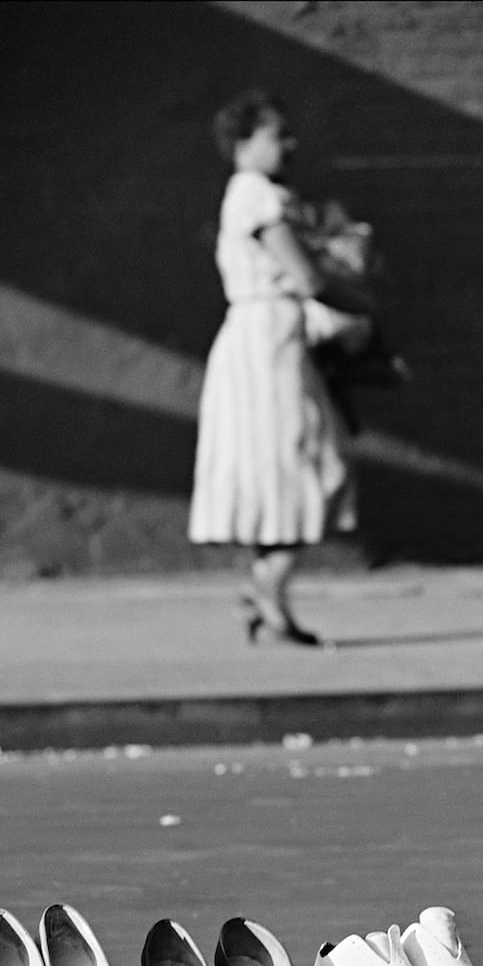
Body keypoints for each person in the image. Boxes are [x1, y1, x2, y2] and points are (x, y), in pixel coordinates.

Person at [188, 88, 371, 647]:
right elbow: (308, 278)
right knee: (304, 465)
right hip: (267, 346)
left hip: (271, 339)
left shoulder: (259, 197)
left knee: (296, 465)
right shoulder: (256, 197)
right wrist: (350, 289)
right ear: (244, 143)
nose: (289, 144)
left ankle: (268, 591)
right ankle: (267, 587)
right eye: (276, 134)